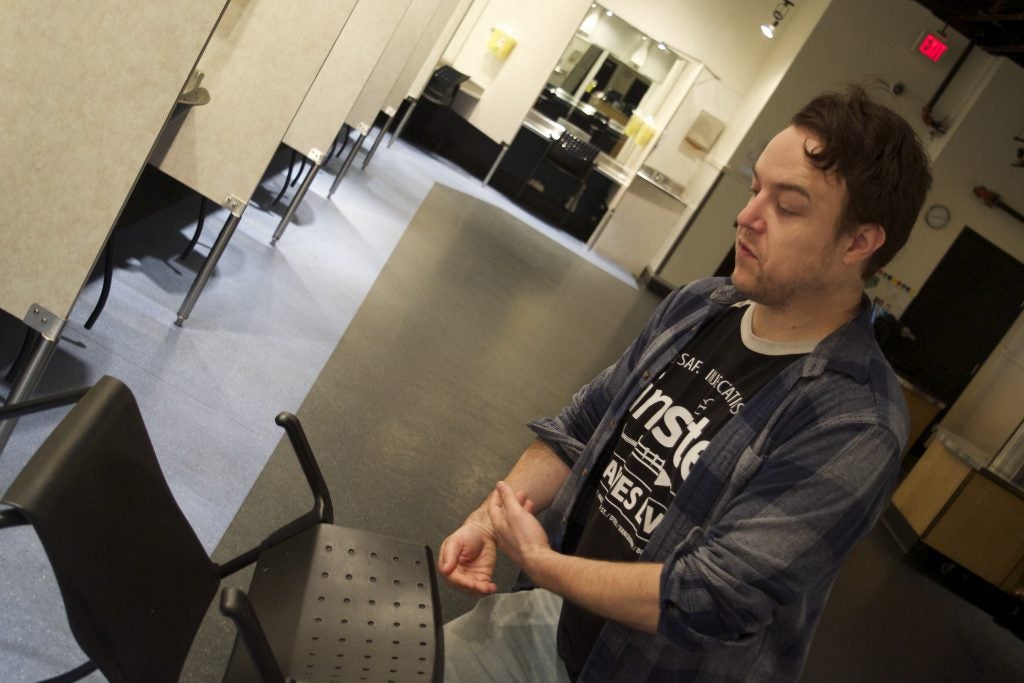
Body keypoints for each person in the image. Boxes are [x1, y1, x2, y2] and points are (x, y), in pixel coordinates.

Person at [437, 83, 932, 682]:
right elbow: (580, 428)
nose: (746, 218)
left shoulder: (854, 422)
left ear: (859, 242)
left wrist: (541, 562)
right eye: (755, 190)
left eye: (788, 206)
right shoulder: (701, 306)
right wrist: (492, 520)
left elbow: (710, 595)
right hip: (551, 621)